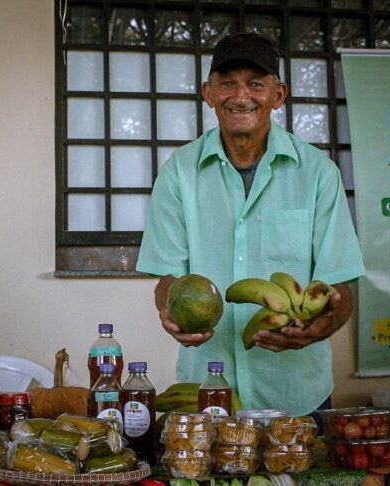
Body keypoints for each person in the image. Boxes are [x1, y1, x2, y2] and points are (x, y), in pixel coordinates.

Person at [136, 32, 365, 419]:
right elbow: (167, 279)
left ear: (279, 95)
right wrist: (172, 315)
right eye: (227, 83)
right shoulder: (179, 172)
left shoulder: (318, 174)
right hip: (207, 393)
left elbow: (340, 283)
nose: (240, 96)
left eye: (256, 84)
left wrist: (320, 327)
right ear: (208, 93)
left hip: (297, 397)